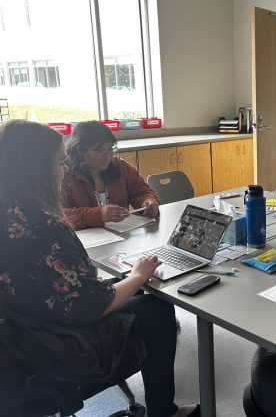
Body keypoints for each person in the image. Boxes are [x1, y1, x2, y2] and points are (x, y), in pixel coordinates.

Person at [0, 120, 199, 417]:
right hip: (56, 345)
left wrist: (147, 202)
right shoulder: (47, 227)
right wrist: (137, 276)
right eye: (58, 164)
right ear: (37, 169)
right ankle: (164, 411)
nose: (63, 171)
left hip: (17, 337)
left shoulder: (10, 213)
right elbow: (93, 305)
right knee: (157, 310)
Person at [61, 120, 159, 229]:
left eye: (110, 149)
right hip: (85, 239)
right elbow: (58, 214)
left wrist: (148, 201)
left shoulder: (121, 167)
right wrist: (98, 215)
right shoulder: (64, 174)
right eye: (100, 150)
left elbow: (141, 191)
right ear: (80, 150)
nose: (107, 155)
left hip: (121, 235)